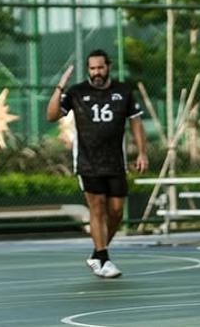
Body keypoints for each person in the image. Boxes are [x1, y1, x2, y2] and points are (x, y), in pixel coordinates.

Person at [47, 49, 148, 279]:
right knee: (97, 208)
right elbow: (51, 115)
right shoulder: (77, 92)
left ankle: (97, 254)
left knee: (116, 212)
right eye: (92, 69)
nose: (96, 72)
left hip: (116, 163)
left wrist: (142, 153)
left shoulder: (123, 92)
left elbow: (136, 124)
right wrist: (60, 86)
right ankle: (103, 257)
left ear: (108, 66)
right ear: (88, 70)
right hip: (87, 162)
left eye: (100, 68)